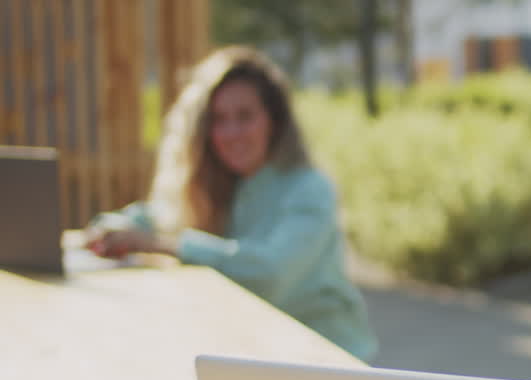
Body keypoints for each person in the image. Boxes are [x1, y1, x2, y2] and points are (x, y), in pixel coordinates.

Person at [84, 46, 378, 362]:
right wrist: (113, 229)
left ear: (274, 121)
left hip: (328, 364)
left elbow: (269, 274)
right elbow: (154, 217)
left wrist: (165, 245)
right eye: (219, 120)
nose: (231, 132)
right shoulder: (213, 184)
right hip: (249, 358)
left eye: (245, 116)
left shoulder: (309, 189)